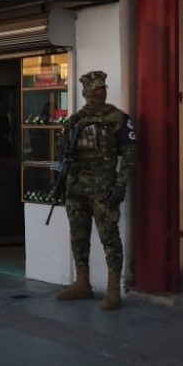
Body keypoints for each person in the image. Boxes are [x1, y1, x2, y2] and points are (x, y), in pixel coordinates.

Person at [55, 71, 136, 311]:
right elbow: (63, 154)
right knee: (78, 237)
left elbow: (130, 154)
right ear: (85, 93)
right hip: (76, 188)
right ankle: (82, 283)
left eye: (101, 89)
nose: (98, 94)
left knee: (109, 238)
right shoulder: (75, 120)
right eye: (93, 91)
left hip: (102, 190)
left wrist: (121, 184)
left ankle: (113, 290)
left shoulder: (118, 118)